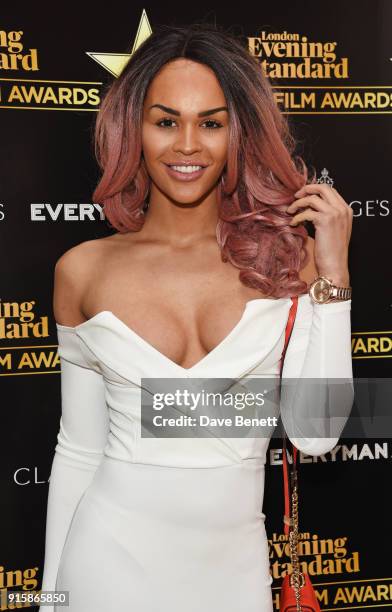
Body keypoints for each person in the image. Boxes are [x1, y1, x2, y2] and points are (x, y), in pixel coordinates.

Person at [40, 22, 354, 612]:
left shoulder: (289, 261)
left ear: (239, 134)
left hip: (232, 574)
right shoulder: (82, 270)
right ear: (134, 130)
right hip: (105, 563)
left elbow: (315, 433)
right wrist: (52, 600)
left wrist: (333, 277)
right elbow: (78, 451)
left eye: (211, 123)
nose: (188, 144)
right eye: (166, 121)